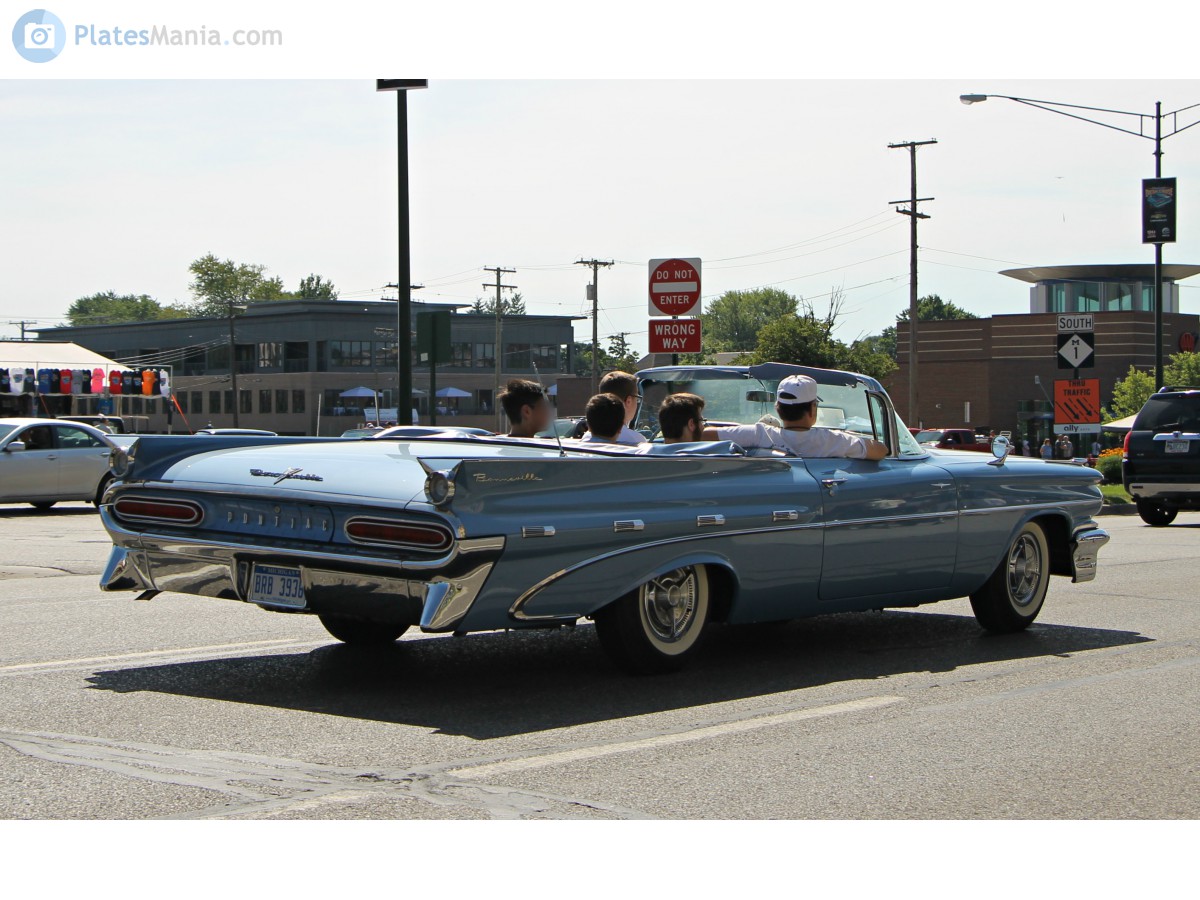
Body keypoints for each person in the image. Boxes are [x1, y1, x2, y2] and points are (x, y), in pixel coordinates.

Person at [701, 374, 888, 460]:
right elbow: (880, 450)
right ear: (812, 410)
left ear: (778, 409)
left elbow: (704, 435)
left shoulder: (759, 434)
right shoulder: (832, 440)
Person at [597, 371, 647, 445]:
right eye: (637, 399)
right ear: (628, 401)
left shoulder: (587, 436)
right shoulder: (636, 440)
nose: (637, 403)